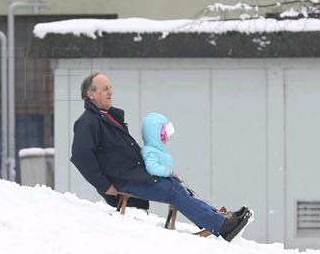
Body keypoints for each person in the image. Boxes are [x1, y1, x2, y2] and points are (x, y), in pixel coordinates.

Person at [71, 73, 252, 241]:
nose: (110, 91)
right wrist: (105, 185)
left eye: (110, 87)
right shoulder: (88, 122)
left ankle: (216, 219)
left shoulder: (106, 117)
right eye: (104, 89)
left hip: (134, 173)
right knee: (171, 190)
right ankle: (221, 226)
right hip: (123, 179)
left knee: (175, 184)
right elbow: (81, 157)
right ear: (90, 94)